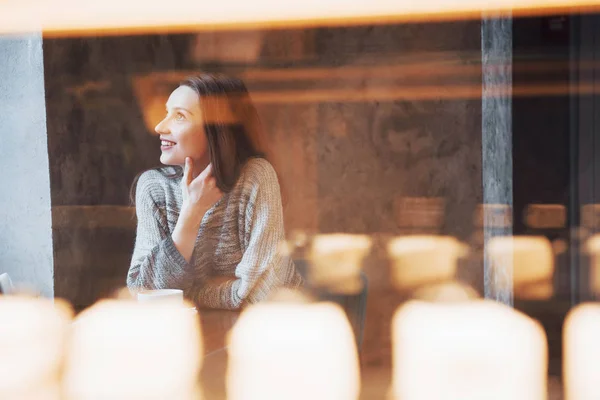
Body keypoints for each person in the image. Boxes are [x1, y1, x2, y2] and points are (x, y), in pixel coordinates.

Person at [127, 74, 301, 310]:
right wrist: (191, 214)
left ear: (216, 129)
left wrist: (191, 294)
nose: (160, 126)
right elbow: (143, 292)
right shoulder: (154, 188)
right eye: (166, 113)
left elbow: (263, 292)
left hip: (272, 328)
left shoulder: (256, 178)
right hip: (194, 335)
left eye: (179, 116)